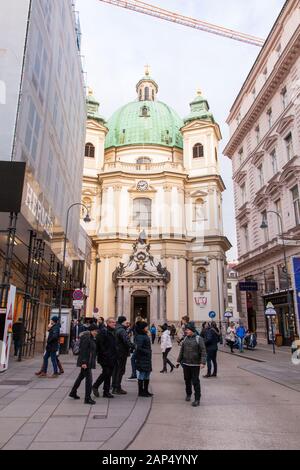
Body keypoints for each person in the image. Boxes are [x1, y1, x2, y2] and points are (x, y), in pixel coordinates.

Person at [177, 322, 206, 407]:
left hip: (195, 364)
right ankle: (188, 394)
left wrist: (203, 362)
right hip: (186, 363)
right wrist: (178, 361)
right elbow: (182, 350)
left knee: (195, 381)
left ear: (192, 330)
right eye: (186, 330)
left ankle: (197, 399)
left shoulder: (198, 339)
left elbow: (203, 351)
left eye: (188, 330)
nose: (186, 331)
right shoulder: (185, 338)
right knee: (187, 380)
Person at [69, 324, 98, 404]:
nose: (96, 332)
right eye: (95, 331)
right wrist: (84, 362)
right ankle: (87, 398)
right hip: (86, 362)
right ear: (91, 331)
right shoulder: (86, 338)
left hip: (88, 361)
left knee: (80, 377)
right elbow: (84, 351)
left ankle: (73, 392)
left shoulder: (91, 337)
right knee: (89, 380)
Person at [92, 317, 117, 398]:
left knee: (109, 374)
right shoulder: (104, 332)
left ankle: (106, 392)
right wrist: (105, 353)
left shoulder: (113, 331)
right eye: (112, 322)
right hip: (105, 357)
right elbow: (100, 344)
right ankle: (95, 386)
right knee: (106, 372)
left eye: (114, 322)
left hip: (112, 356)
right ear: (108, 323)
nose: (114, 324)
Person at [112, 315, 135, 394]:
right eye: (125, 322)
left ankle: (114, 386)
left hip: (116, 352)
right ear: (123, 322)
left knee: (116, 370)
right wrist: (133, 346)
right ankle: (117, 388)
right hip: (121, 353)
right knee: (120, 370)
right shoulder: (122, 330)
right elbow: (126, 341)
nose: (127, 323)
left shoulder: (116, 328)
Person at [135, 321, 153, 397]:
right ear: (142, 328)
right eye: (146, 327)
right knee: (142, 374)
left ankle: (145, 390)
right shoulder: (140, 336)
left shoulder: (144, 335)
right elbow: (138, 348)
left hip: (146, 358)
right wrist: (148, 351)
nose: (147, 328)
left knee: (147, 374)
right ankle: (141, 392)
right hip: (142, 358)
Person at [128, 316, 143, 380]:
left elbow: (129, 331)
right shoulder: (142, 326)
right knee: (138, 359)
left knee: (133, 359)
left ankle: (135, 374)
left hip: (137, 345)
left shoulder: (135, 326)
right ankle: (139, 374)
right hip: (139, 345)